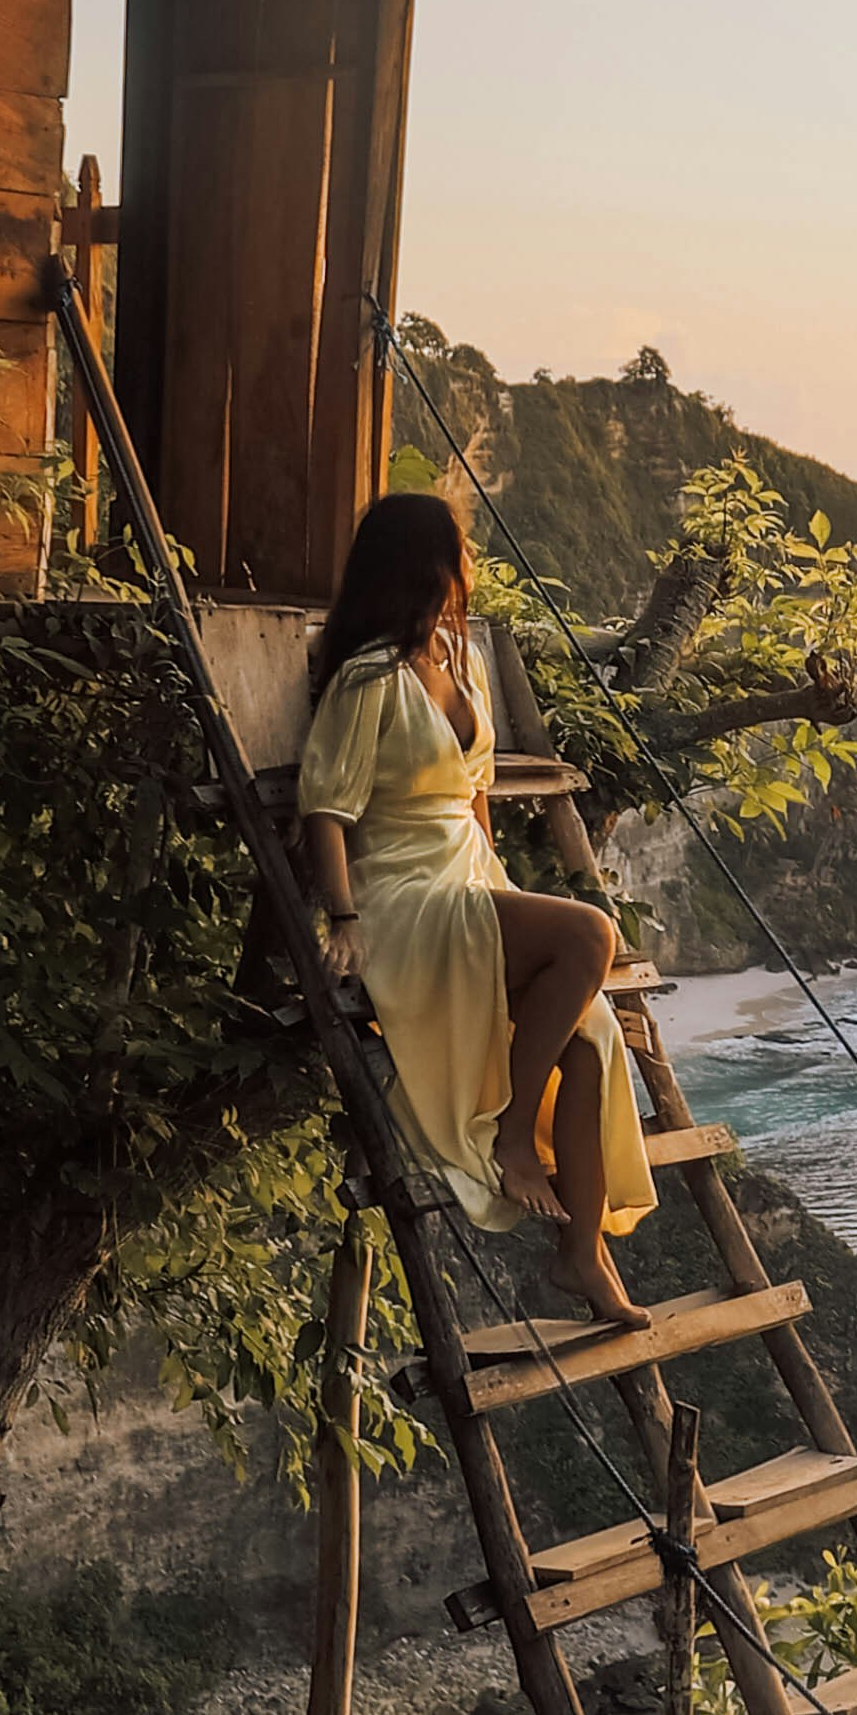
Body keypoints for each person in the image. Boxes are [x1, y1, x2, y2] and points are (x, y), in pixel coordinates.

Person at [294, 489, 652, 1327]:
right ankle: (513, 1135)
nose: (474, 561)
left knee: (595, 1039)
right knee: (591, 932)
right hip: (404, 898)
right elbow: (326, 809)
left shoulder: (461, 659)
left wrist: (504, 893)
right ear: (428, 562)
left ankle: (582, 1259)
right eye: (462, 546)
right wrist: (342, 919)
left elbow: (477, 797)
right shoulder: (369, 677)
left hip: (467, 879)